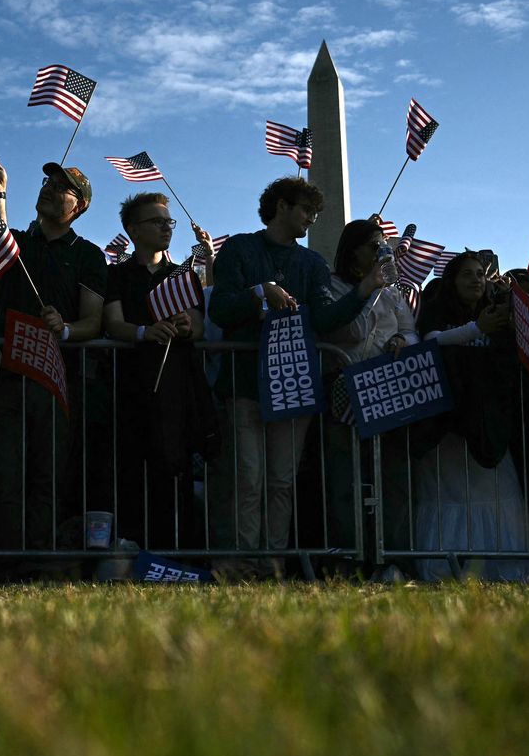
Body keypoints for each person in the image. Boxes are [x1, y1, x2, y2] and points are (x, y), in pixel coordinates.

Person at [207, 175, 385, 575]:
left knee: (281, 481)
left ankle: (270, 562)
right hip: (245, 383)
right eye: (306, 209)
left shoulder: (312, 263)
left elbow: (324, 318)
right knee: (247, 479)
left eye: (316, 212)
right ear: (282, 206)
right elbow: (220, 309)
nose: (312, 218)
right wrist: (260, 292)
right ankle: (239, 564)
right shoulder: (239, 248)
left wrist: (366, 289)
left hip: (295, 383)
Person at [0, 149, 106, 556]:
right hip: (8, 378)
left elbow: (94, 322)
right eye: (48, 183)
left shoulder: (87, 254)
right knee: (6, 475)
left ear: (79, 206)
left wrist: (66, 329)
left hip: (58, 384)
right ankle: (6, 564)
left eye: (62, 188)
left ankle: (39, 560)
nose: (50, 190)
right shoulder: (14, 243)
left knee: (47, 477)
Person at [411, 251, 529, 582]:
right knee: (449, 498)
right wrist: (476, 328)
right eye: (466, 274)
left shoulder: (498, 315)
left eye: (480, 274)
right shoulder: (438, 311)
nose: (475, 280)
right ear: (452, 281)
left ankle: (504, 568)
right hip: (447, 430)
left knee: (496, 496)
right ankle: (443, 568)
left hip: (488, 427)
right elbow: (430, 341)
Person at [101, 191, 218, 553]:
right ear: (133, 230)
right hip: (129, 386)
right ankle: (133, 548)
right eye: (157, 221)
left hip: (177, 389)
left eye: (169, 222)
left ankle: (176, 552)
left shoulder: (181, 276)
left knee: (175, 468)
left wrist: (186, 325)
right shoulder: (117, 275)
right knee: (132, 470)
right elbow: (113, 323)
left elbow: (199, 327)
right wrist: (143, 332)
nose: (166, 228)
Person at [323, 219, 420, 577]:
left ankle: (391, 558)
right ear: (354, 250)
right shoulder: (334, 287)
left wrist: (401, 342)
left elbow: (410, 331)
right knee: (346, 477)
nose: (382, 252)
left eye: (384, 245)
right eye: (374, 245)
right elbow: (351, 331)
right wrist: (369, 288)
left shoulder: (395, 292)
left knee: (393, 476)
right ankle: (350, 558)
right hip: (346, 387)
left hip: (388, 388)